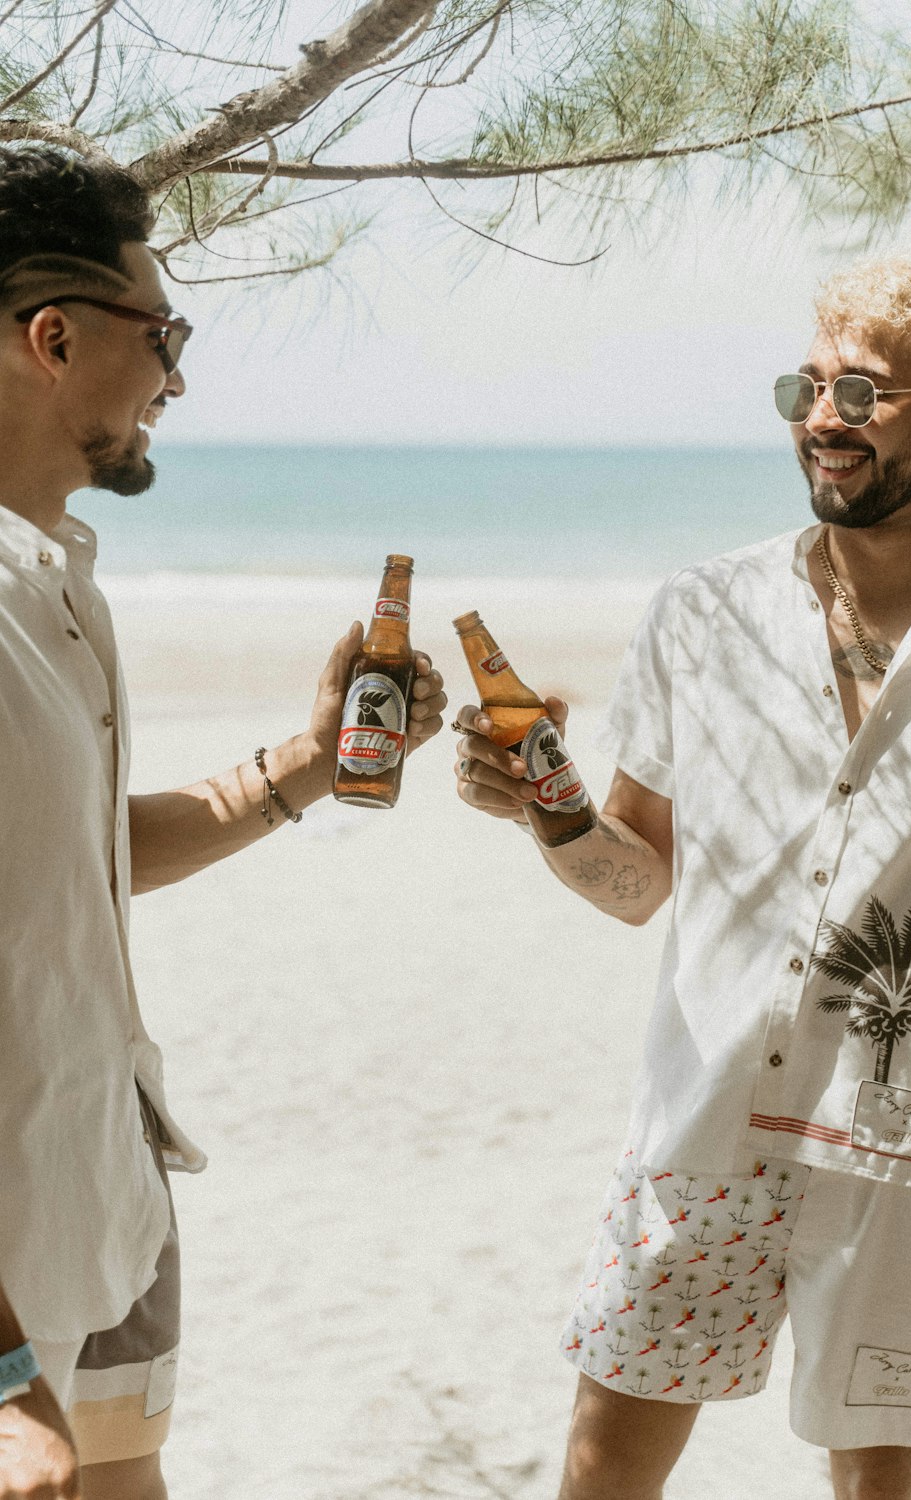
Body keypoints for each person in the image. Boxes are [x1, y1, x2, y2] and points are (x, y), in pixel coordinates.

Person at [452, 253, 911, 1500]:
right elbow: (639, 883)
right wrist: (549, 816)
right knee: (603, 1473)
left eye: (860, 394)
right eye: (805, 389)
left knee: (882, 1482)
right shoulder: (701, 612)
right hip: (698, 1127)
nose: (821, 419)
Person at [0, 146, 447, 1500]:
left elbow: (68, 864)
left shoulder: (53, 580)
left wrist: (303, 768)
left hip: (111, 1182)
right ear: (55, 337)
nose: (178, 379)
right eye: (164, 334)